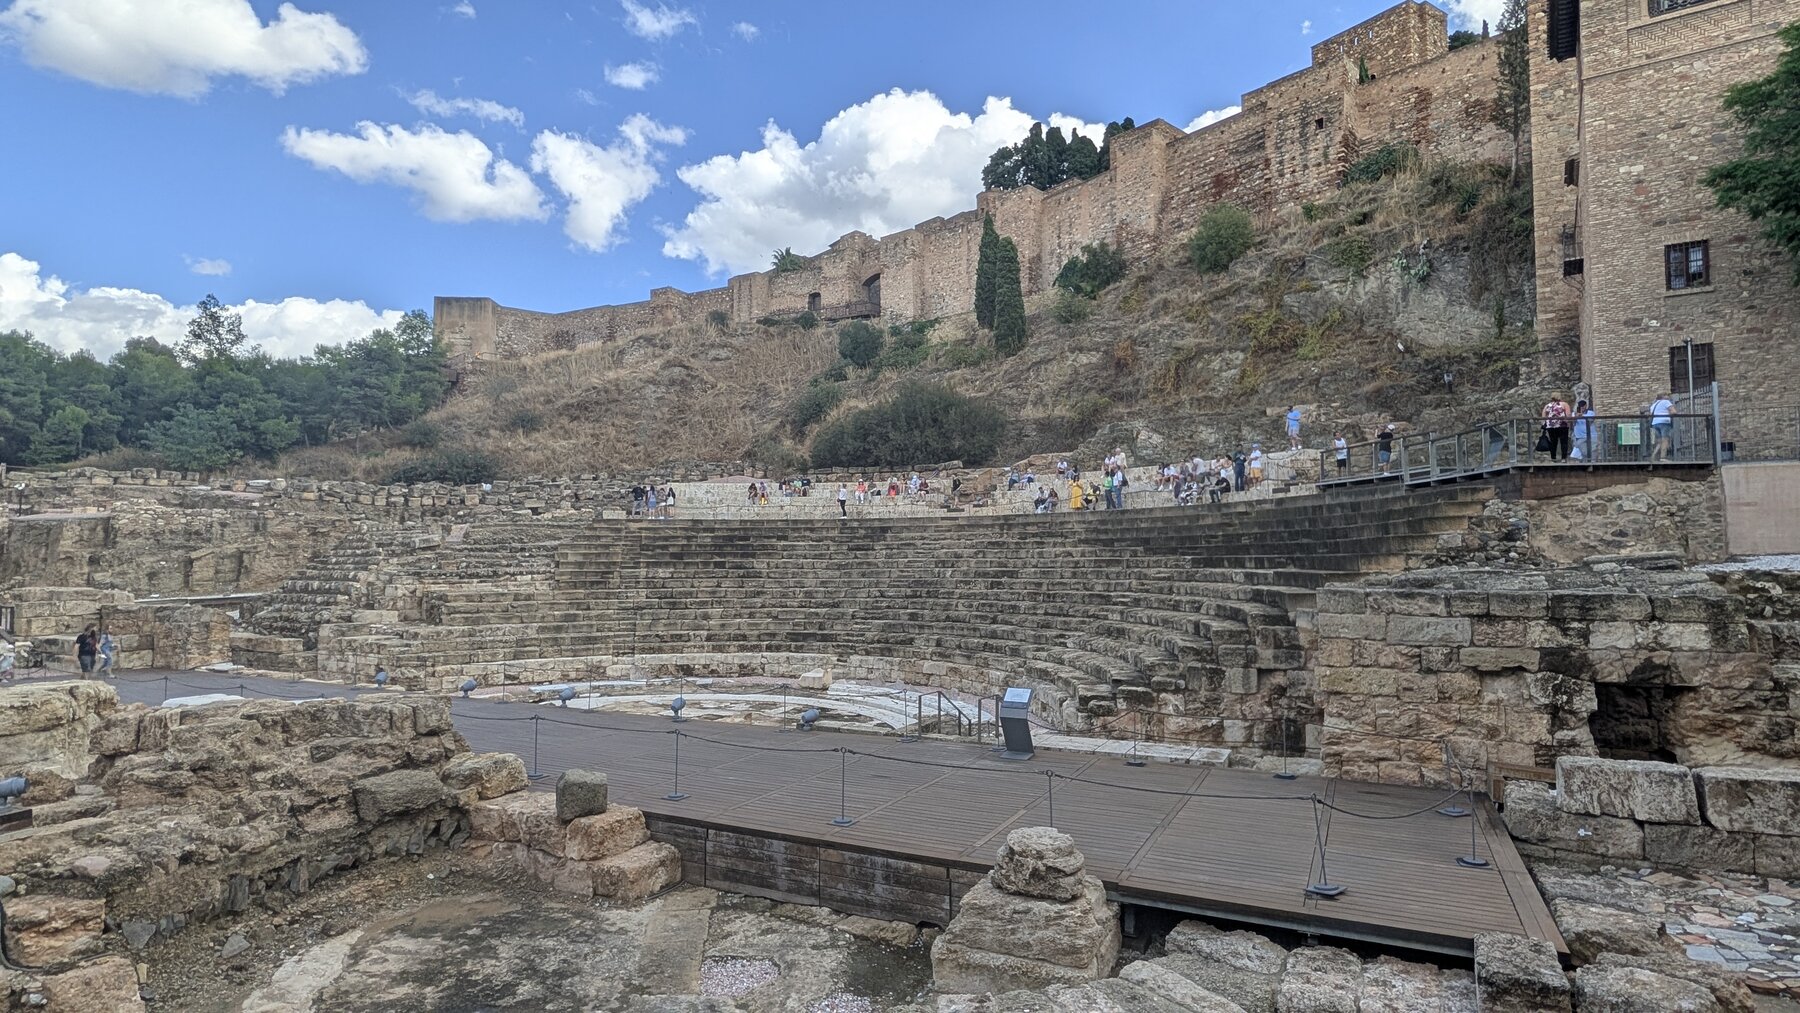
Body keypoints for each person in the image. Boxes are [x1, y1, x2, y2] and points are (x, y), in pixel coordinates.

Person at [1542, 393, 1573, 461]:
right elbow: (1568, 415)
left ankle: (1553, 457)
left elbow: (1543, 416)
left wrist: (1546, 423)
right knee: (1564, 442)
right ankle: (1563, 458)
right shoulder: (1564, 404)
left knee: (1553, 442)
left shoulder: (1547, 406)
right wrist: (1568, 421)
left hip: (1551, 426)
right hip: (1562, 425)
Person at [1649, 392, 1675, 461]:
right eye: (1667, 395)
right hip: (1664, 422)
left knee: (1659, 442)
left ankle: (1653, 457)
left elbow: (1651, 414)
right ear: (1663, 396)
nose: (1669, 397)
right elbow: (1673, 411)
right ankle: (1663, 458)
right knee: (1665, 440)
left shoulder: (1653, 405)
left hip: (1655, 423)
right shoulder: (1666, 402)